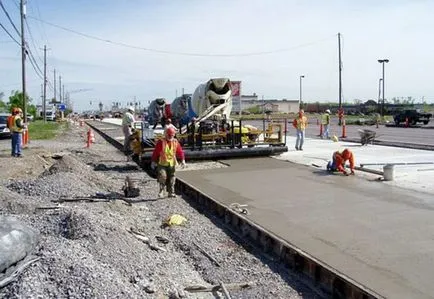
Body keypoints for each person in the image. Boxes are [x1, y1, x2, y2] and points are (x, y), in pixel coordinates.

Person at [151, 127, 186, 198]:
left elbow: (180, 151)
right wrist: (153, 161)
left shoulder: (175, 142)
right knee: (163, 177)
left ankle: (171, 192)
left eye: (172, 135)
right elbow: (155, 152)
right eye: (169, 135)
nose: (170, 137)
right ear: (166, 134)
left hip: (171, 163)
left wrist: (183, 160)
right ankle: (161, 191)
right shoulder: (161, 142)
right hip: (162, 163)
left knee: (172, 178)